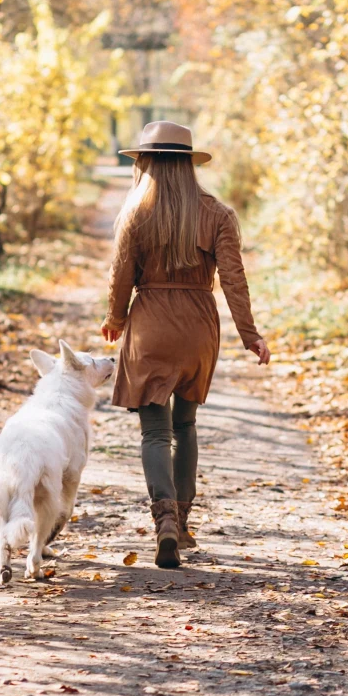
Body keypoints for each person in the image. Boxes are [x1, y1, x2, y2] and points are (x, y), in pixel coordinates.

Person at [102, 120, 270, 568]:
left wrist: (115, 319)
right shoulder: (217, 214)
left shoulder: (136, 212)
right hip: (198, 325)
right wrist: (250, 335)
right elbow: (234, 280)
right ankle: (183, 518)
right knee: (186, 426)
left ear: (148, 163)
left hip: (151, 322)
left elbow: (121, 278)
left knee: (155, 432)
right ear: (188, 164)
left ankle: (165, 524)